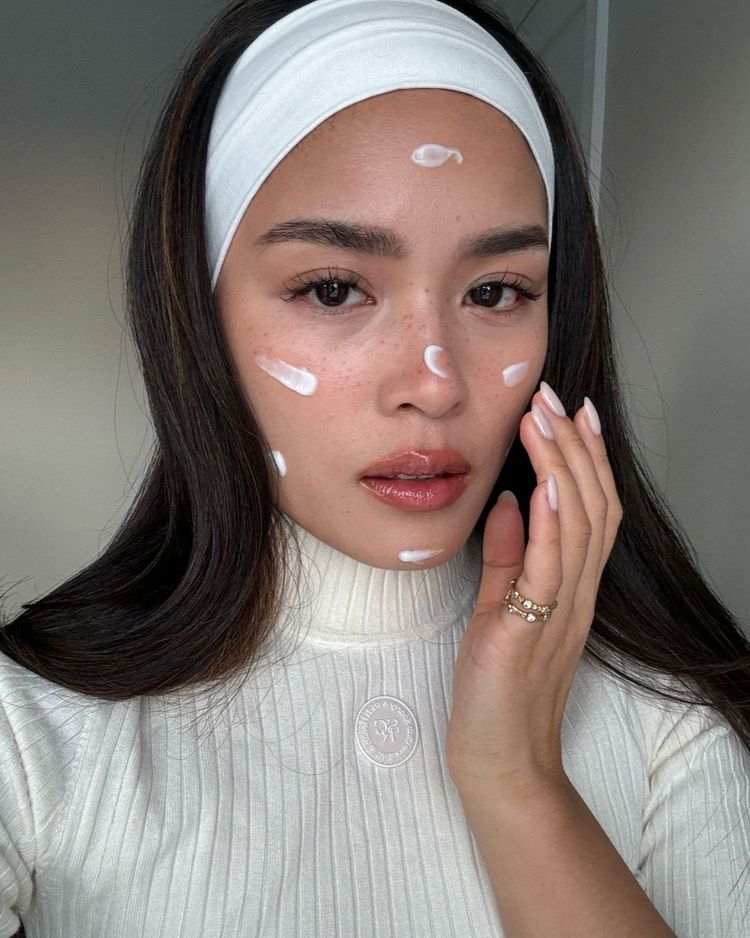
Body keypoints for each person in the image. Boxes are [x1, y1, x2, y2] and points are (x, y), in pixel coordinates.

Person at [1, 0, 748, 935]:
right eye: (334, 288)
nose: (433, 385)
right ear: (198, 313)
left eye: (494, 291)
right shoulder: (32, 735)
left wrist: (517, 780)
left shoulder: (668, 721)